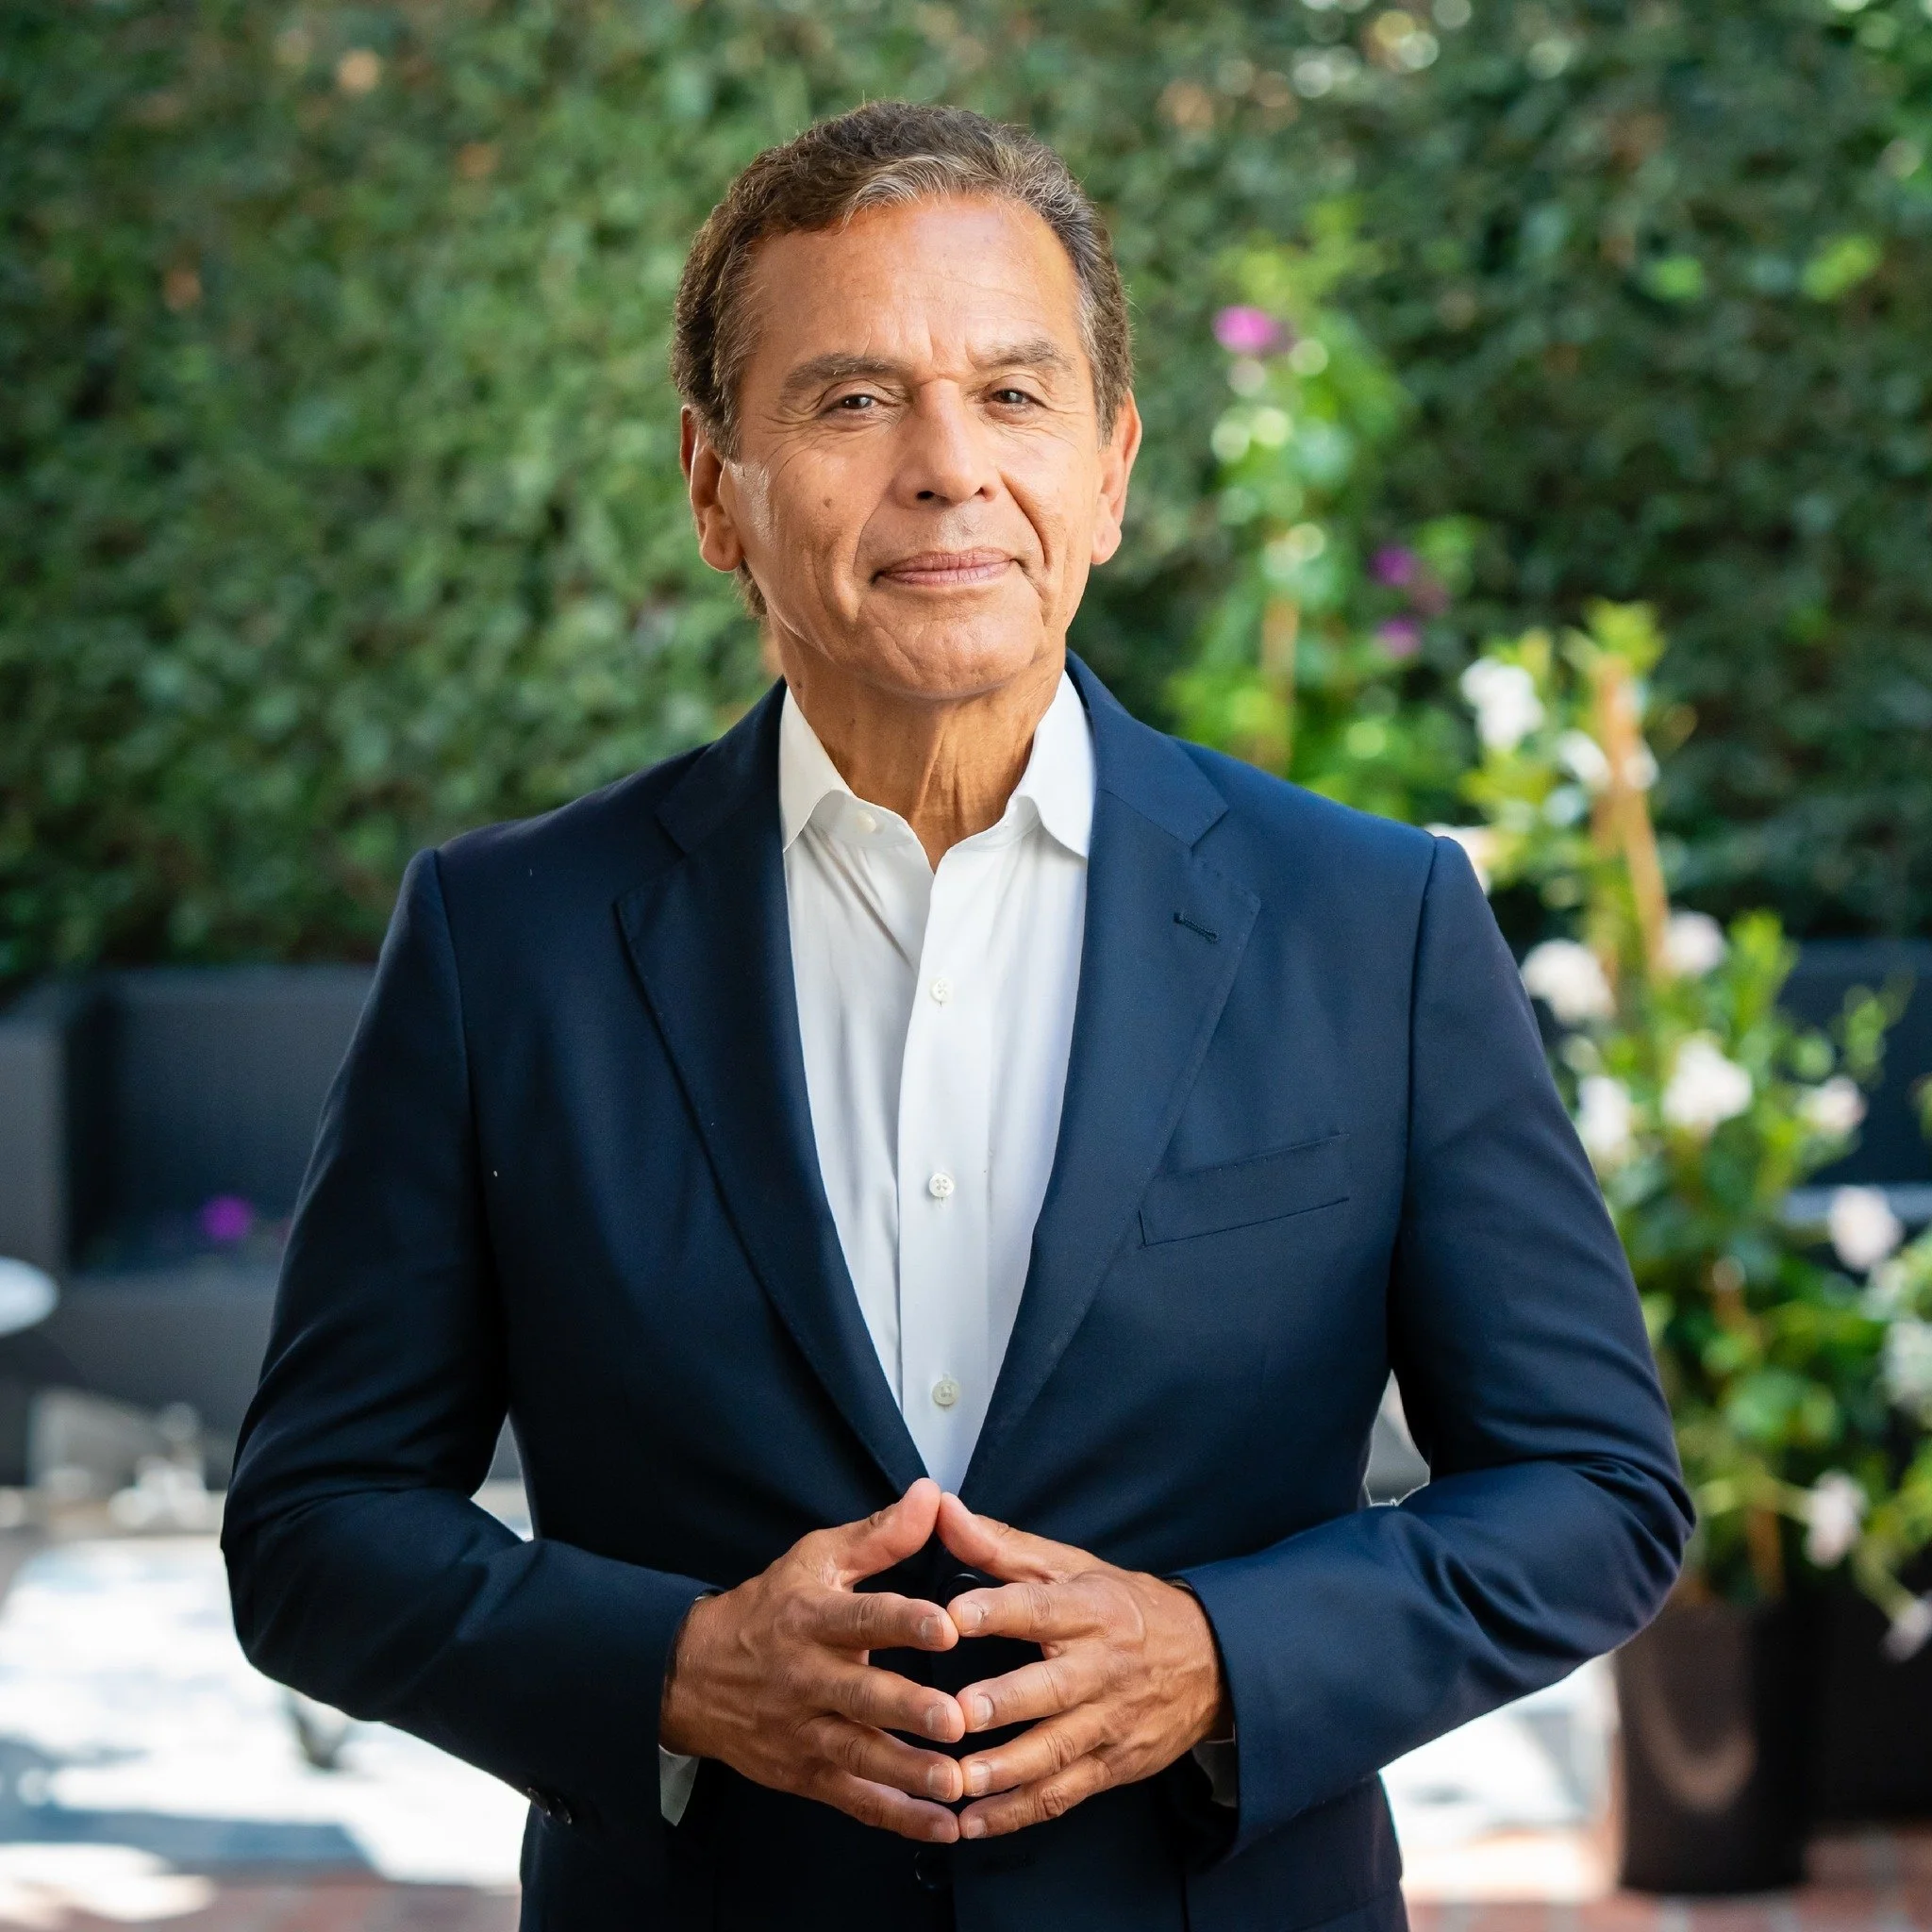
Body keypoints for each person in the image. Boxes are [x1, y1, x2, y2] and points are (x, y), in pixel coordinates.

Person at [223, 102, 1690, 1932]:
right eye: (850, 400)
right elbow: (311, 1527)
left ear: (1111, 470)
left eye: (1012, 397)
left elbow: (1593, 1490)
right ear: (712, 487)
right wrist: (673, 1666)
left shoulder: (1369, 923)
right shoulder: (504, 940)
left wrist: (1220, 1654)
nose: (945, 468)